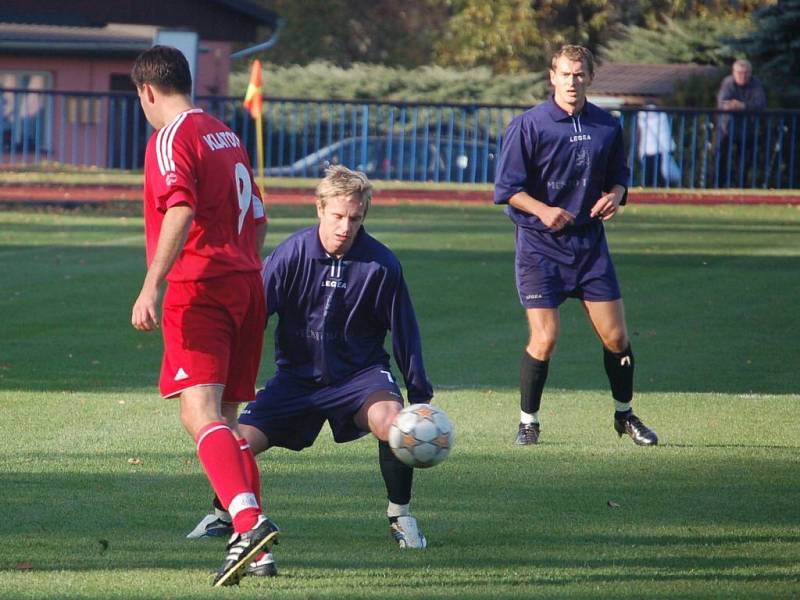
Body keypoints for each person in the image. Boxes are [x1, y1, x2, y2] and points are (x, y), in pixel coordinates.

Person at [188, 165, 435, 573]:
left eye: (355, 218)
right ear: (319, 208)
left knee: (394, 424)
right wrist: (229, 373)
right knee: (236, 440)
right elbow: (254, 316)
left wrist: (419, 398)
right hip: (296, 381)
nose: (346, 226)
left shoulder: (382, 265)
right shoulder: (291, 254)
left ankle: (400, 515)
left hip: (361, 378)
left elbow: (405, 331)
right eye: (338, 216)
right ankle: (225, 513)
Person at [129, 45, 277, 587]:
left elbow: (180, 206)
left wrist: (152, 283)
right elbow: (258, 216)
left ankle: (247, 521)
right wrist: (242, 262)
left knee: (199, 414)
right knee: (229, 422)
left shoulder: (171, 137)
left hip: (201, 290)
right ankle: (258, 551)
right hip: (245, 286)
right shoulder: (225, 133)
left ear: (147, 91)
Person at [493, 44, 658, 447]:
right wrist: (543, 210)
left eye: (579, 74)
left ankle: (624, 416)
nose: (572, 81)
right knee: (545, 338)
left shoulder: (606, 125)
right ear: (552, 77)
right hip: (539, 246)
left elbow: (619, 176)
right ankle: (528, 423)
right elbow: (507, 189)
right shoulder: (529, 125)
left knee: (617, 339)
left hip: (588, 245)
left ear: (590, 78)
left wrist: (617, 194)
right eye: (565, 74)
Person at [715, 59, 767, 184]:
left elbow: (760, 104)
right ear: (733, 72)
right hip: (726, 127)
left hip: (747, 129)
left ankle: (741, 188)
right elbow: (723, 103)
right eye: (739, 73)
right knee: (721, 158)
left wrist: (743, 106)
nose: (742, 76)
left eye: (746, 73)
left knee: (744, 162)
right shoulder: (728, 83)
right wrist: (735, 106)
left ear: (750, 73)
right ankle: (718, 187)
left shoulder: (755, 84)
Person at [636, 102, 680, 187]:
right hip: (662, 150)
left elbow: (640, 133)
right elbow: (666, 133)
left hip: (647, 149)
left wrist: (639, 149)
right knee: (661, 176)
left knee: (648, 177)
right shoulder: (662, 115)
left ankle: (648, 192)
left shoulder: (642, 115)